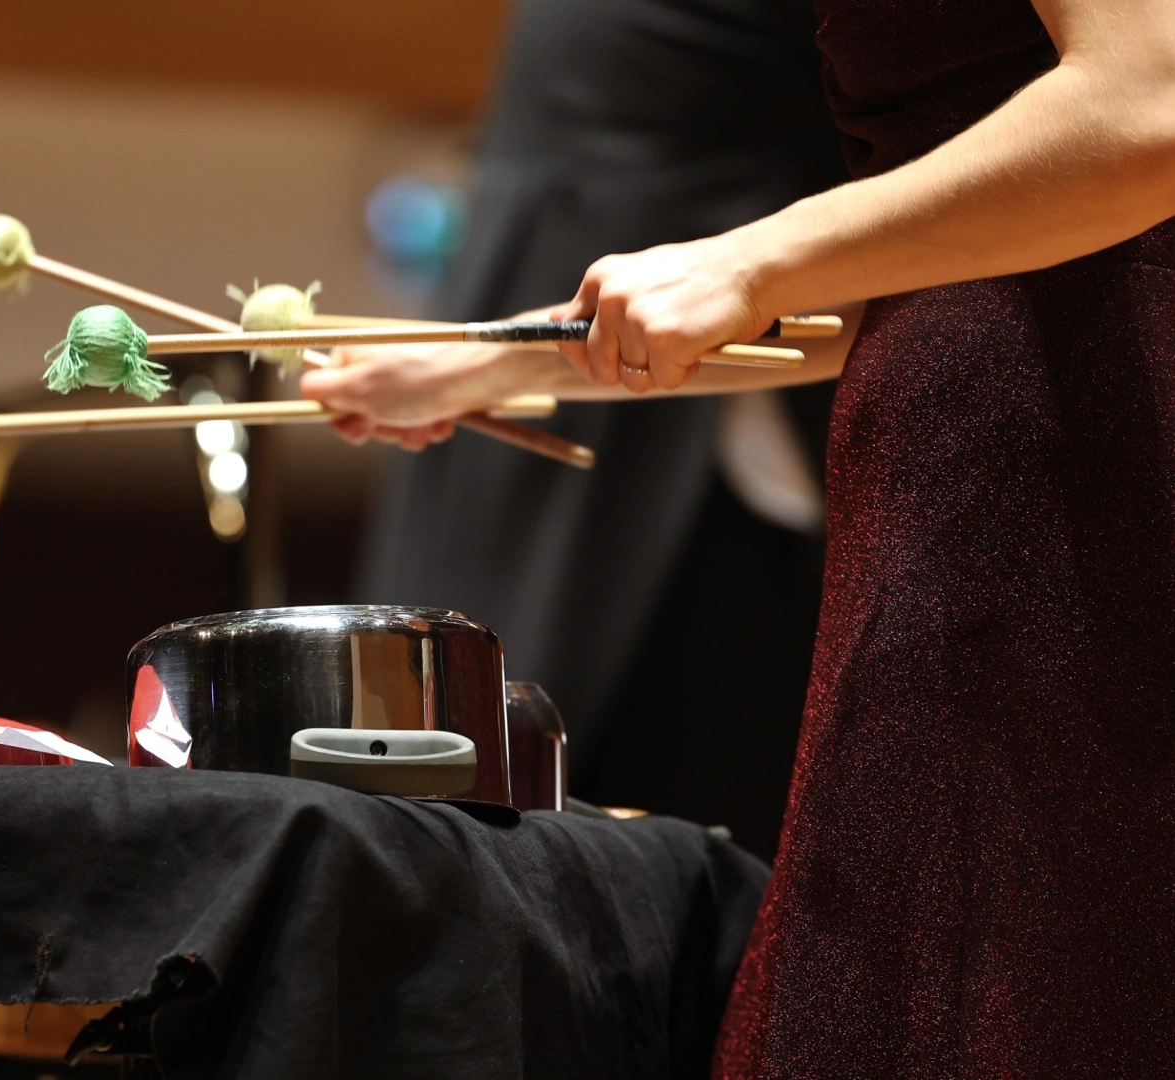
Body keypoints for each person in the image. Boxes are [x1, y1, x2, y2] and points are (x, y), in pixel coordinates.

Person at [304, 0, 1175, 1071]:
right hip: (974, 469)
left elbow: (1154, 100)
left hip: (1066, 488)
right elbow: (937, 260)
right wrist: (496, 360)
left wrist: (754, 257)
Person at [354, 0, 848, 860]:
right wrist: (482, 360)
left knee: (640, 838)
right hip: (521, 379)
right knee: (443, 807)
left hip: (687, 457)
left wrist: (490, 364)